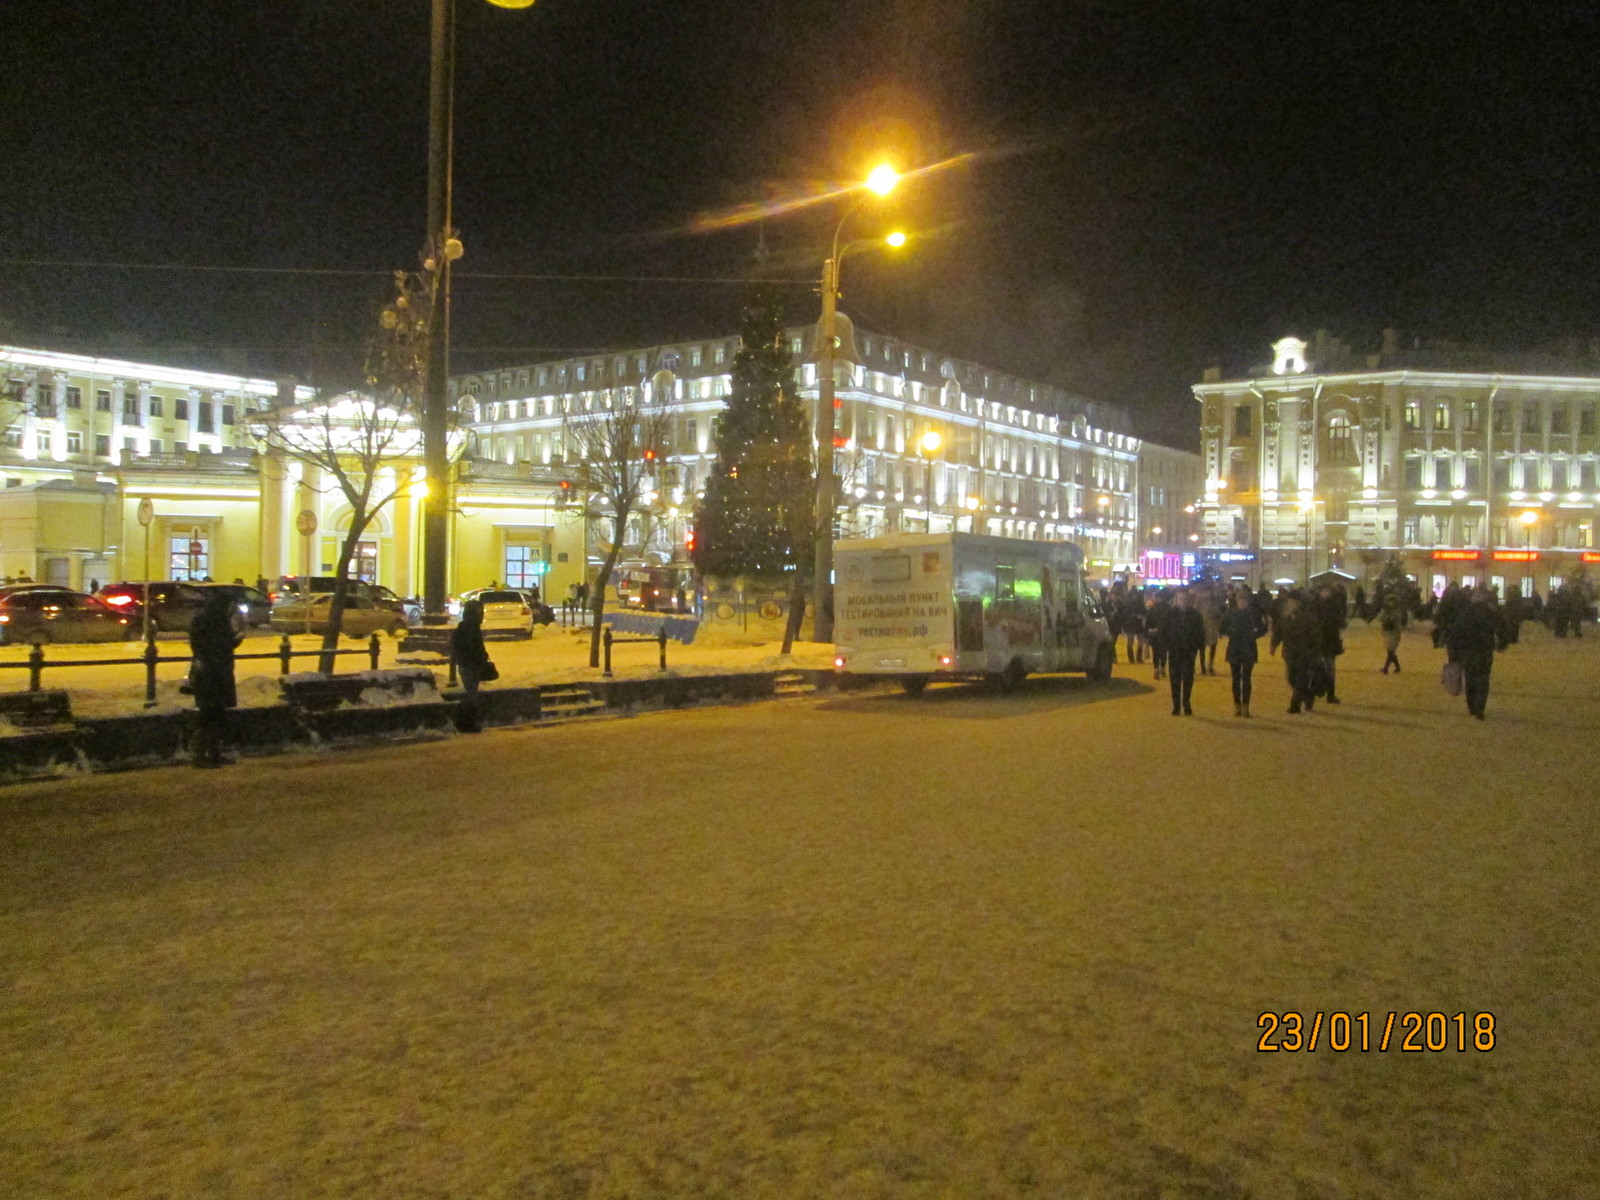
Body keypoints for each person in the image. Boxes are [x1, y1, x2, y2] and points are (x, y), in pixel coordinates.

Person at [188, 588, 241, 767]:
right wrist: (234, 642)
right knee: (211, 715)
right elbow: (217, 646)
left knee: (213, 715)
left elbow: (201, 644)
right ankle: (204, 755)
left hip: (210, 672)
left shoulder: (204, 618)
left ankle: (210, 754)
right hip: (214, 672)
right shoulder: (216, 620)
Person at [1444, 586, 1501, 719]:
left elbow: (1456, 634)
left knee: (1470, 678)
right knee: (1483, 679)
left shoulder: (1465, 614)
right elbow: (1500, 629)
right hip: (1484, 651)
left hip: (1468, 651)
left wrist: (1453, 654)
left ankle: (1472, 706)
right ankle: (1480, 708)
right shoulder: (1490, 613)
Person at [1270, 591, 1322, 714]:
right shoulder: (1285, 615)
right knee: (1291, 679)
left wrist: (1314, 650)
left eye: (1293, 602)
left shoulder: (1307, 616)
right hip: (1289, 652)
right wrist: (1273, 645)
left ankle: (1295, 706)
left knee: (1301, 680)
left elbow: (1316, 635)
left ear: (1298, 603)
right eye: (1290, 601)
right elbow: (1278, 631)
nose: (1291, 604)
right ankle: (1308, 696)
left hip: (1304, 653)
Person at [1156, 587, 1205, 715]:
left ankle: (1186, 702)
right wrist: (1167, 646)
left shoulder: (1195, 615)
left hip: (1189, 651)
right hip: (1174, 651)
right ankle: (1176, 705)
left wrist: (1197, 647)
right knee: (1175, 678)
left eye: (1185, 599)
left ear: (1188, 600)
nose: (1183, 601)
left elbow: (1200, 633)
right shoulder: (1169, 614)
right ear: (1176, 600)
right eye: (1180, 599)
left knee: (1188, 678)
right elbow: (1162, 632)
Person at [1220, 586, 1267, 717]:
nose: (1242, 602)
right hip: (1235, 648)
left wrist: (1254, 635)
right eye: (1240, 600)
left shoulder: (1253, 615)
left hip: (1248, 648)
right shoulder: (1231, 614)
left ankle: (1245, 706)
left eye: (1245, 600)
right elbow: (1222, 628)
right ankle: (1237, 705)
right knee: (1235, 679)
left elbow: (1263, 629)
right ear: (1237, 600)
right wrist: (1230, 633)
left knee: (1246, 679)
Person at [451, 598, 492, 733]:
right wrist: (481, 657)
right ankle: (466, 722)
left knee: (471, 693)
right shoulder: (472, 628)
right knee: (471, 695)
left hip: (467, 664)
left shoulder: (465, 627)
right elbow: (475, 647)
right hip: (471, 665)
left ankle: (467, 721)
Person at [1196, 582, 1223, 675]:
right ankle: (1208, 667)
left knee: (1203, 649)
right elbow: (1218, 615)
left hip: (1205, 628)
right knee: (1209, 648)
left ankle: (1205, 667)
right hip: (1207, 628)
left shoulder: (1201, 603)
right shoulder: (1212, 603)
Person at [1378, 594, 1406, 673]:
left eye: (1392, 600)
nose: (1391, 603)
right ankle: (1397, 667)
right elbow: (1379, 618)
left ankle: (1386, 668)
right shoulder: (1385, 610)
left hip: (1395, 632)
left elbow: (1398, 620)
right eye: (1389, 600)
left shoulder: (1397, 611)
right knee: (1390, 651)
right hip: (1387, 632)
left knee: (1391, 651)